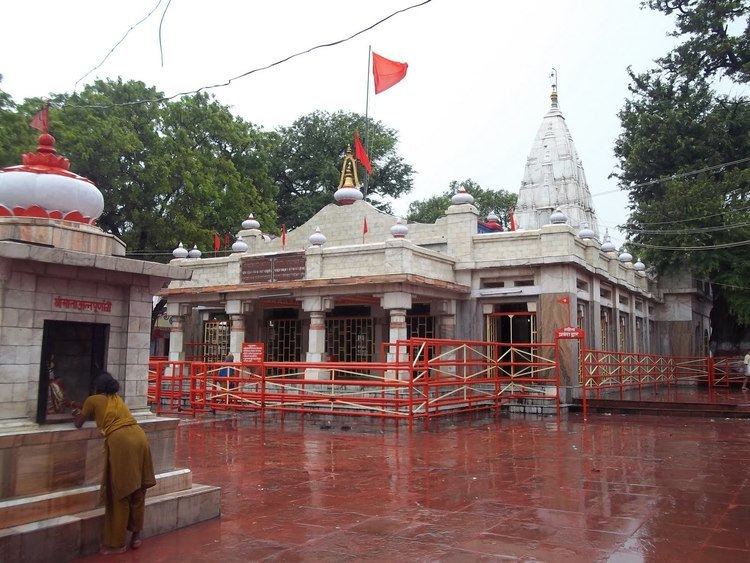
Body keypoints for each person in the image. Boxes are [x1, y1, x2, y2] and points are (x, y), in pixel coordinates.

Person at [73, 372, 156, 554]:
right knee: (137, 490)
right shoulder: (117, 399)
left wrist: (75, 413)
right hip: (139, 436)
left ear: (97, 387)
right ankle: (136, 537)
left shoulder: (93, 399)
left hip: (121, 441)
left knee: (120, 492)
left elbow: (79, 422)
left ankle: (116, 543)